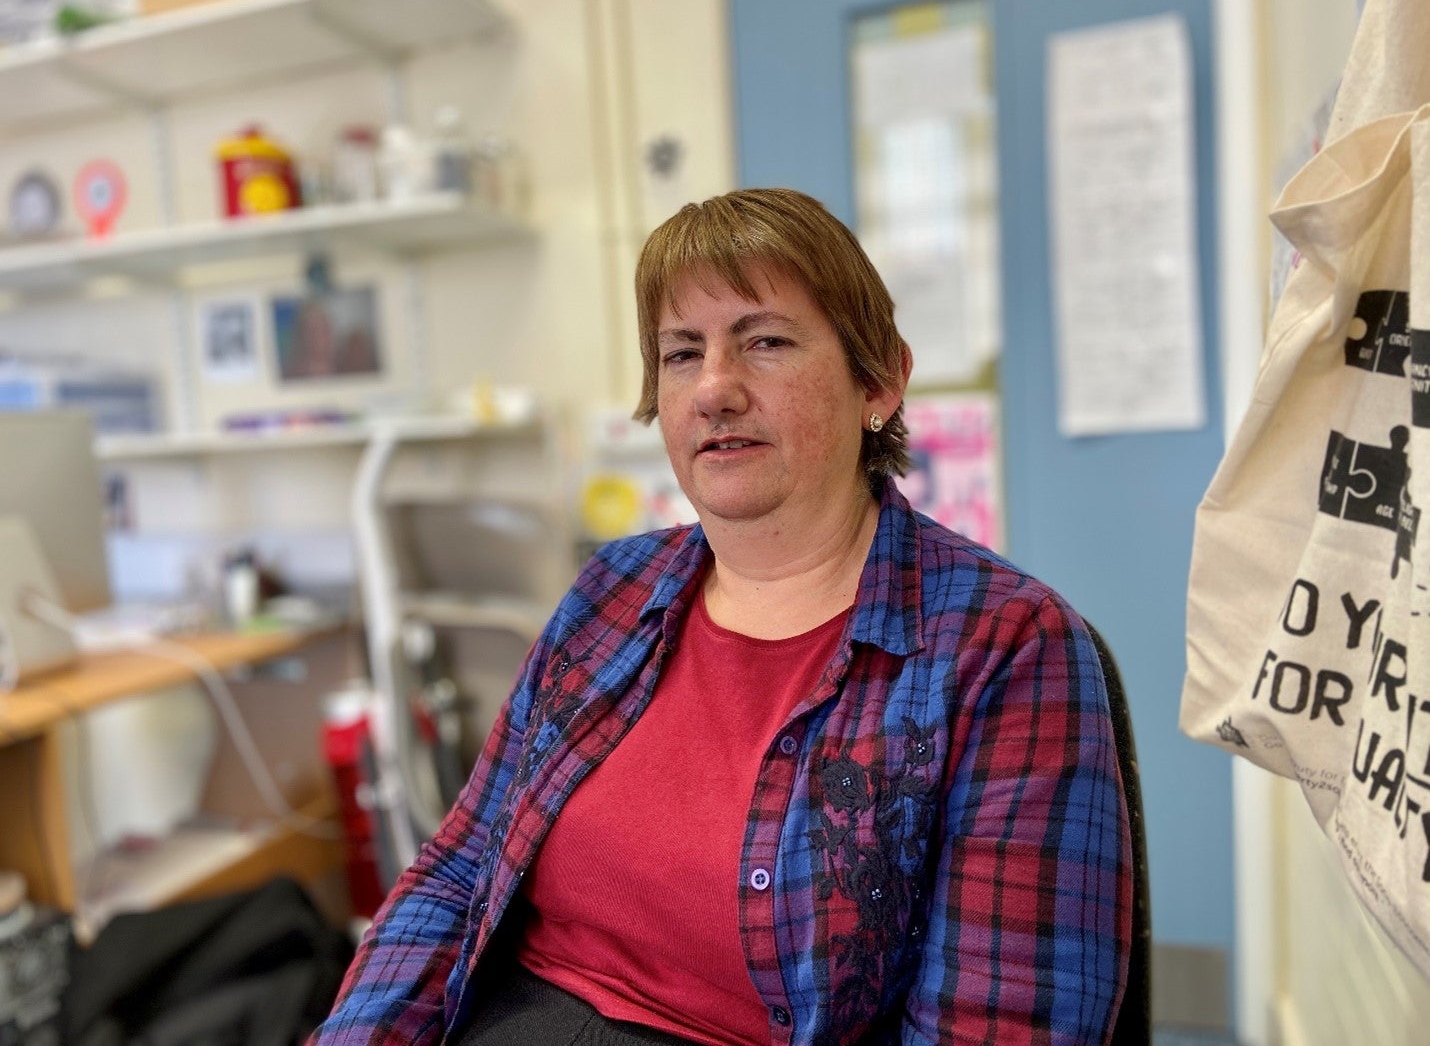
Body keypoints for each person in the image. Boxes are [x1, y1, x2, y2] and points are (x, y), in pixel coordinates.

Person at [311, 188, 1131, 1045]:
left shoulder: (1006, 650)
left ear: (879, 382)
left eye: (765, 342)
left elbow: (996, 1025)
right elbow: (459, 870)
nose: (714, 390)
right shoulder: (613, 590)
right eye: (680, 353)